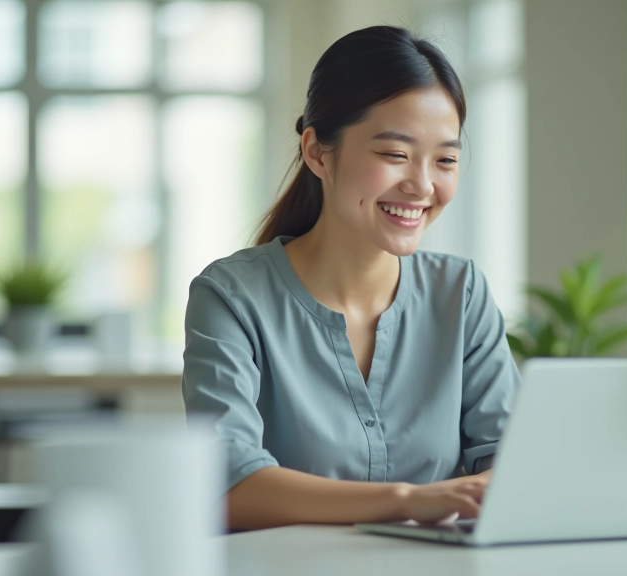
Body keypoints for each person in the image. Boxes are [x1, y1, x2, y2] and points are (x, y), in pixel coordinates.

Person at [182, 25, 520, 531]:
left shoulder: (461, 293)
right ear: (318, 153)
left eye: (445, 160)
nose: (423, 185)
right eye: (394, 154)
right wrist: (408, 500)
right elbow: (228, 489)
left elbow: (510, 466)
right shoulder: (231, 299)